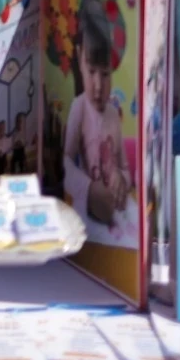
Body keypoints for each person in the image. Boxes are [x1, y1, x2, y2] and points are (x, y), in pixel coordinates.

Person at [63, 14, 130, 226]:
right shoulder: (79, 108)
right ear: (79, 58)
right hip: (88, 209)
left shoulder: (113, 115)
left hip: (114, 212)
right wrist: (89, 188)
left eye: (105, 74)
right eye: (91, 72)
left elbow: (126, 170)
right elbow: (65, 163)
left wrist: (122, 179)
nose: (98, 86)